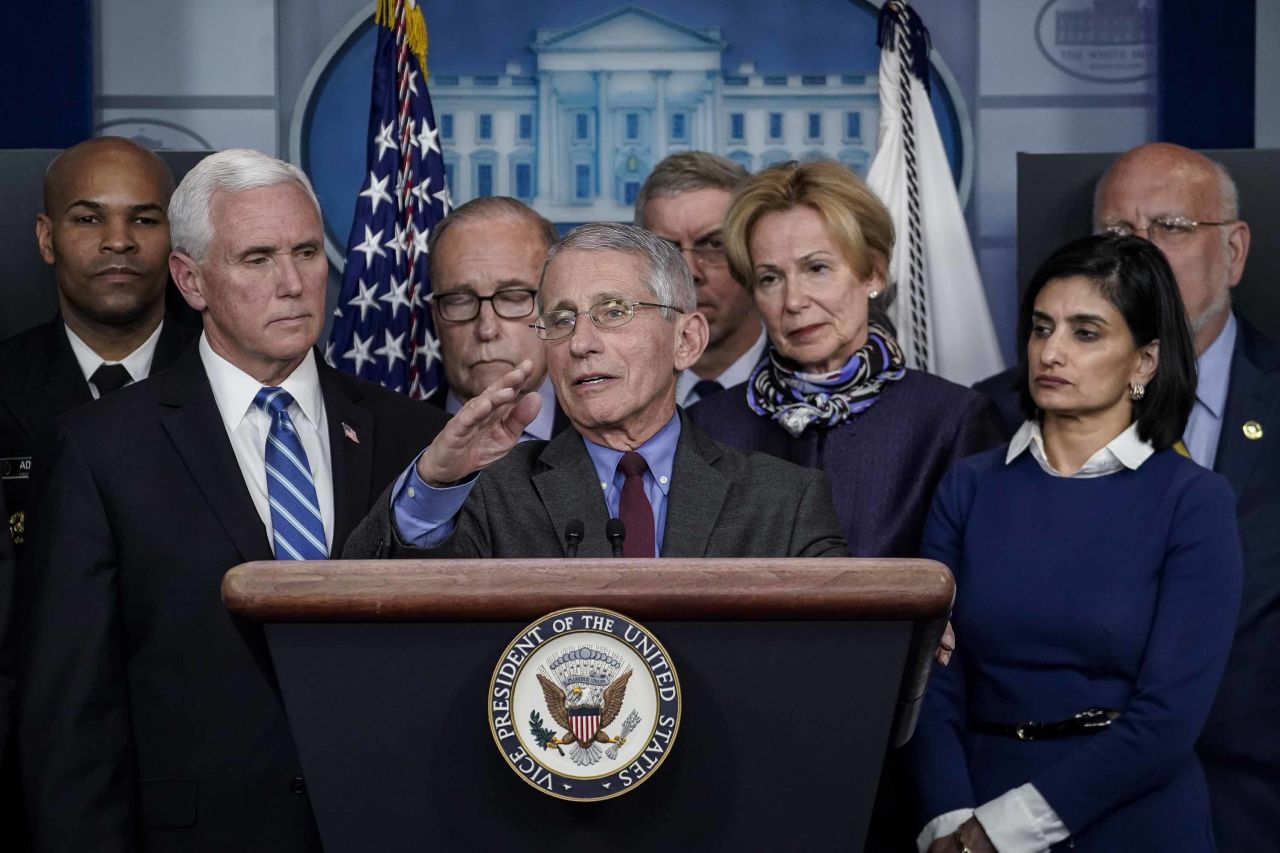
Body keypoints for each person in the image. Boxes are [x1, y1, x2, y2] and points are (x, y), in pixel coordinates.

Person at [17, 148, 448, 851]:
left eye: (306, 251)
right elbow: (70, 724)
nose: (292, 283)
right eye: (256, 258)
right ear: (191, 280)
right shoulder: (102, 451)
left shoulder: (414, 436)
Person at [974, 143, 1279, 850]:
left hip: (1256, 804)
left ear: (1233, 251)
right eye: (1116, 234)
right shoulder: (995, 415)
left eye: (1169, 226)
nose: (1138, 255)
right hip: (1042, 807)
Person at [907, 234, 1242, 852]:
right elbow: (931, 679)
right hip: (967, 808)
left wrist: (998, 831)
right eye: (1041, 328)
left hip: (1131, 820)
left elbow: (1168, 719)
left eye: (1085, 333)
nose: (1051, 351)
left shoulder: (1194, 502)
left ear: (1144, 362)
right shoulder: (969, 486)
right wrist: (949, 821)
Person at [342, 222, 847, 561]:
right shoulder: (485, 495)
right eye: (561, 320)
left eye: (613, 312)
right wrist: (434, 482)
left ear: (686, 339)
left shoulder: (784, 502)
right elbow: (368, 610)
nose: (581, 343)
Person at [688, 160, 1005, 558]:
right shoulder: (709, 426)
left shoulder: (950, 421)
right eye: (770, 278)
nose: (794, 301)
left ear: (872, 274)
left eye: (816, 268)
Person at [0, 137, 196, 559]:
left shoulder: (231, 377)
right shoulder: (6, 381)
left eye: (144, 220)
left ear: (176, 240)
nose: (119, 241)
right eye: (89, 219)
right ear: (47, 238)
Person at [423, 196, 570, 438]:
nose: (487, 329)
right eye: (460, 300)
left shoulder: (611, 437)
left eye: (513, 297)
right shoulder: (390, 450)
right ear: (436, 320)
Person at [634, 152, 765, 407]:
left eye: (715, 244)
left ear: (755, 251)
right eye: (666, 250)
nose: (689, 271)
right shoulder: (611, 395)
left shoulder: (814, 381)